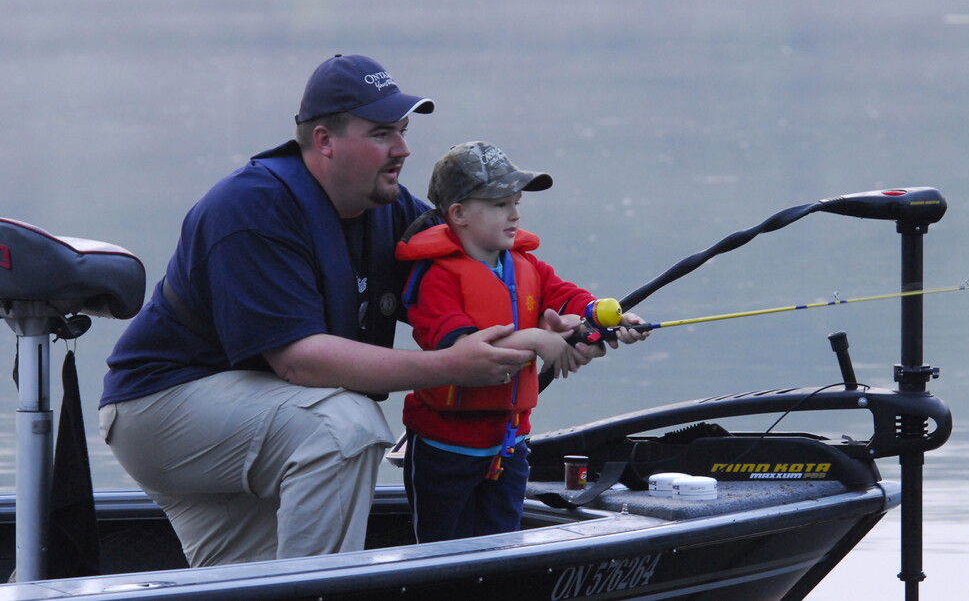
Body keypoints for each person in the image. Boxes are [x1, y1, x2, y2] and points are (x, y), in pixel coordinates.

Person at [98, 55, 588, 567]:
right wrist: (449, 366)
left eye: (401, 131)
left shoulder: (392, 209)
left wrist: (553, 327)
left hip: (265, 421)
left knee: (250, 581)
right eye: (381, 134)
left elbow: (469, 294)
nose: (403, 149)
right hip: (161, 410)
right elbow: (301, 362)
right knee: (344, 426)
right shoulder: (253, 206)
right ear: (325, 141)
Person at [395, 141, 646, 543]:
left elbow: (566, 296)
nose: (514, 214)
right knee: (443, 554)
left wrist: (607, 317)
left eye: (516, 202)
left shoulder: (526, 264)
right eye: (499, 204)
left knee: (504, 550)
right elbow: (462, 349)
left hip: (510, 446)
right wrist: (538, 341)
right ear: (458, 214)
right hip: (445, 450)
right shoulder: (435, 278)